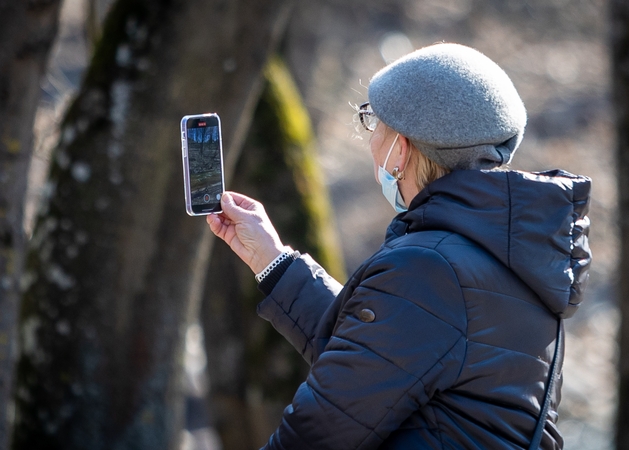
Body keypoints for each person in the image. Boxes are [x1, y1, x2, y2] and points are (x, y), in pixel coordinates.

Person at [206, 43, 591, 449]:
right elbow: (374, 356)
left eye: (374, 123)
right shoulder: (510, 258)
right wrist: (272, 260)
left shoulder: (429, 268)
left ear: (400, 149)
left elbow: (317, 432)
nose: (371, 139)